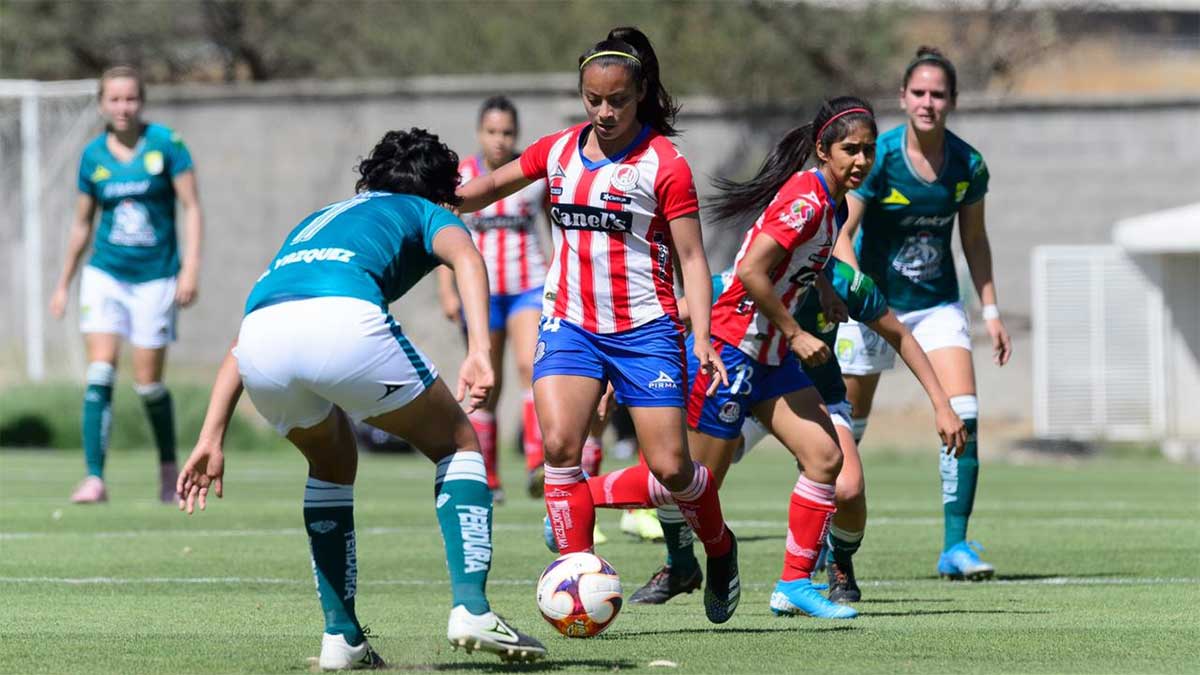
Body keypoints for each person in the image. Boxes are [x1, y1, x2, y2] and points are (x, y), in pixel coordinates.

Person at [175, 128, 546, 669]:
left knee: (332, 461)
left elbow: (250, 332)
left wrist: (211, 435)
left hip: (259, 340)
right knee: (460, 443)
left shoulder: (322, 218)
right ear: (440, 190)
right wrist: (479, 351)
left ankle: (341, 639)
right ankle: (472, 608)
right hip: (343, 321)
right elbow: (468, 259)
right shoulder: (426, 209)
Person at [456, 26, 741, 624]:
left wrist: (704, 338)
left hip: (646, 331)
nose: (605, 111)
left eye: (618, 100)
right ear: (582, 95)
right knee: (560, 447)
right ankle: (580, 581)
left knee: (670, 468)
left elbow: (692, 257)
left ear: (640, 95)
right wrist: (418, 195)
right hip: (570, 325)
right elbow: (480, 192)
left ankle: (720, 547)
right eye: (594, 100)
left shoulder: (665, 164)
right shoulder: (557, 150)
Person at [577, 97, 879, 620]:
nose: (861, 160)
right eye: (851, 150)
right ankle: (581, 495)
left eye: (869, 151)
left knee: (825, 459)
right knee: (694, 485)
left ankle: (793, 585)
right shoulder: (807, 199)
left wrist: (825, 288)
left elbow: (803, 255)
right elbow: (751, 274)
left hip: (771, 356)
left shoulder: (835, 203)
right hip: (735, 347)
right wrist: (796, 332)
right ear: (823, 151)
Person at [832, 46, 1012, 581]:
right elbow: (842, 231)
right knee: (846, 428)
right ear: (903, 98)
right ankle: (823, 535)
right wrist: (853, 289)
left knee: (964, 413)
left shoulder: (968, 164)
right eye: (919, 92)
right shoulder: (878, 156)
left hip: (937, 305)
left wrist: (992, 309)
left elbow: (975, 240)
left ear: (951, 100)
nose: (927, 102)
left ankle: (955, 546)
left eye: (938, 93)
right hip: (874, 308)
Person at [49, 66, 204, 504]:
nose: (123, 107)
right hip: (105, 274)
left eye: (131, 98)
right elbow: (83, 223)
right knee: (100, 371)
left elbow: (192, 208)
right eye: (114, 99)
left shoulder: (167, 146)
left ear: (142, 100)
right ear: (102, 104)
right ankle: (94, 478)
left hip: (156, 277)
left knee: (148, 384)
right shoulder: (93, 156)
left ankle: (168, 470)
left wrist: (190, 267)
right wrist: (64, 282)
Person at [436, 95, 549, 503]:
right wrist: (448, 290)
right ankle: (489, 475)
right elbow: (443, 237)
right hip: (480, 292)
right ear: (479, 132)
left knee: (529, 364)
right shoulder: (462, 175)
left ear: (515, 134)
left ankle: (539, 463)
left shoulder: (532, 173)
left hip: (529, 286)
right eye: (492, 132)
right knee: (489, 380)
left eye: (507, 132)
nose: (500, 140)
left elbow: (554, 228)